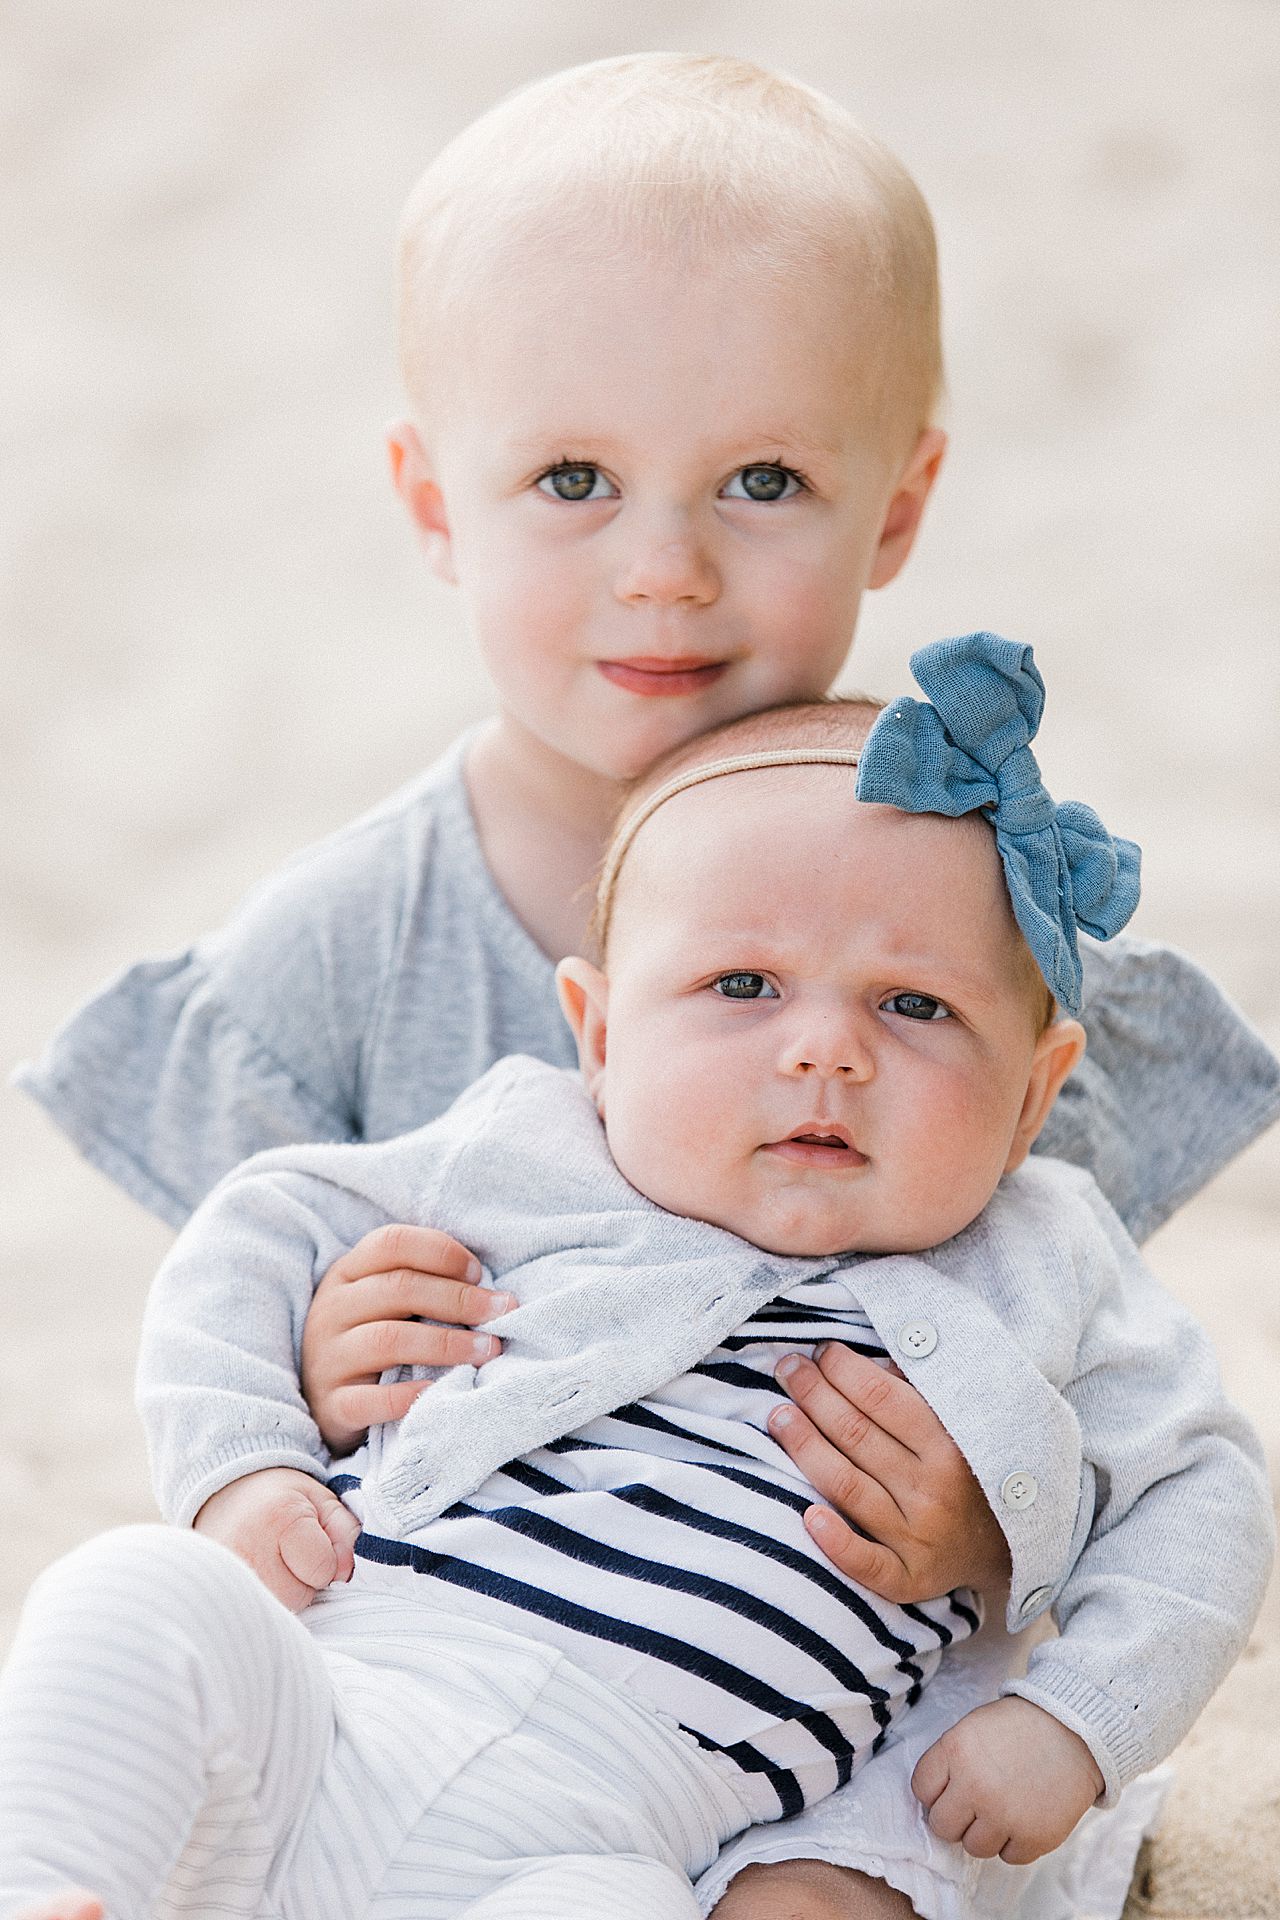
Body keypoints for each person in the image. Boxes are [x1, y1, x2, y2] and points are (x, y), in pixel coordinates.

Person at [13, 53, 1279, 1920]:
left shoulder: (960, 923)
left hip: (761, 1728)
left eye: (764, 479)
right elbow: (237, 1292)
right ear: (435, 502)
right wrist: (302, 1381)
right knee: (135, 1617)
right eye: (571, 481)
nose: (667, 572)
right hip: (399, 1633)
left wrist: (987, 1520)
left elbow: (1080, 1371)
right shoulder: (358, 936)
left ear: (900, 503)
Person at [2, 637, 1271, 1920]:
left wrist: (1075, 1718)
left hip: (609, 1835)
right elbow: (256, 1222)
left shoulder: (1045, 1258)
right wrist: (245, 1461)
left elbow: (1202, 1492)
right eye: (741, 985)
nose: (824, 1050)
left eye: (915, 1007)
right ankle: (52, 1889)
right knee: (133, 1589)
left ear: (1032, 1096)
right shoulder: (532, 1144)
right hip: (326, 1698)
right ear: (601, 1037)